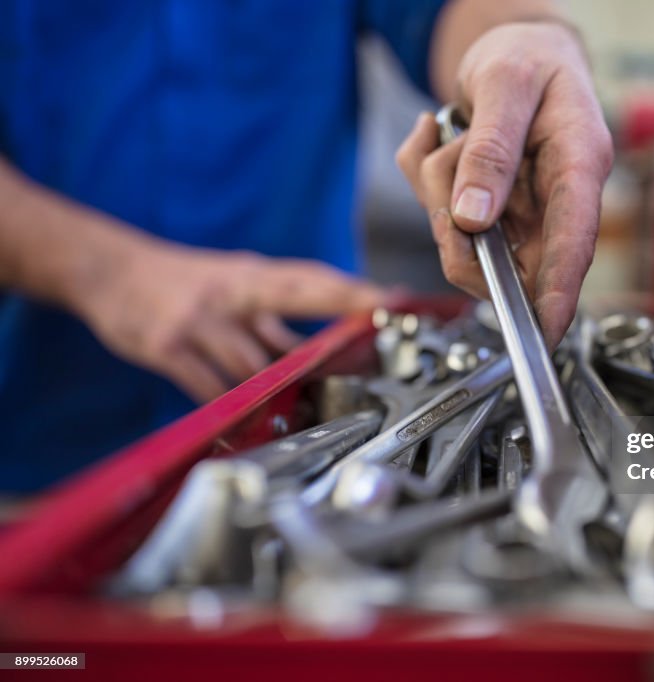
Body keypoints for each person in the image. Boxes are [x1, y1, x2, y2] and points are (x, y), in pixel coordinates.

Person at [0, 0, 612, 492]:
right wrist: (104, 271)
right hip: (39, 450)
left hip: (314, 417)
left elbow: (454, 11)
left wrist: (520, 41)